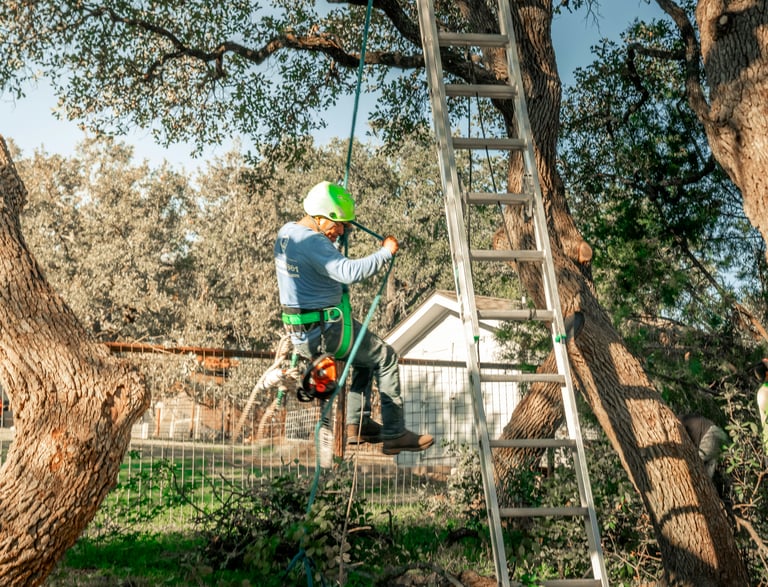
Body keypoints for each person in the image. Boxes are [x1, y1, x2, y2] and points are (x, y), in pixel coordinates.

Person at [274, 180, 434, 455]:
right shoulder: (314, 242)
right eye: (338, 225)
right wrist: (386, 252)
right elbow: (348, 272)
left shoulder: (287, 233)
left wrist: (339, 234)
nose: (340, 231)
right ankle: (395, 433)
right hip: (327, 331)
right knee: (385, 357)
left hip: (304, 331)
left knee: (365, 361)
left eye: (346, 226)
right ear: (321, 217)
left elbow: (321, 258)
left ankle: (357, 425)